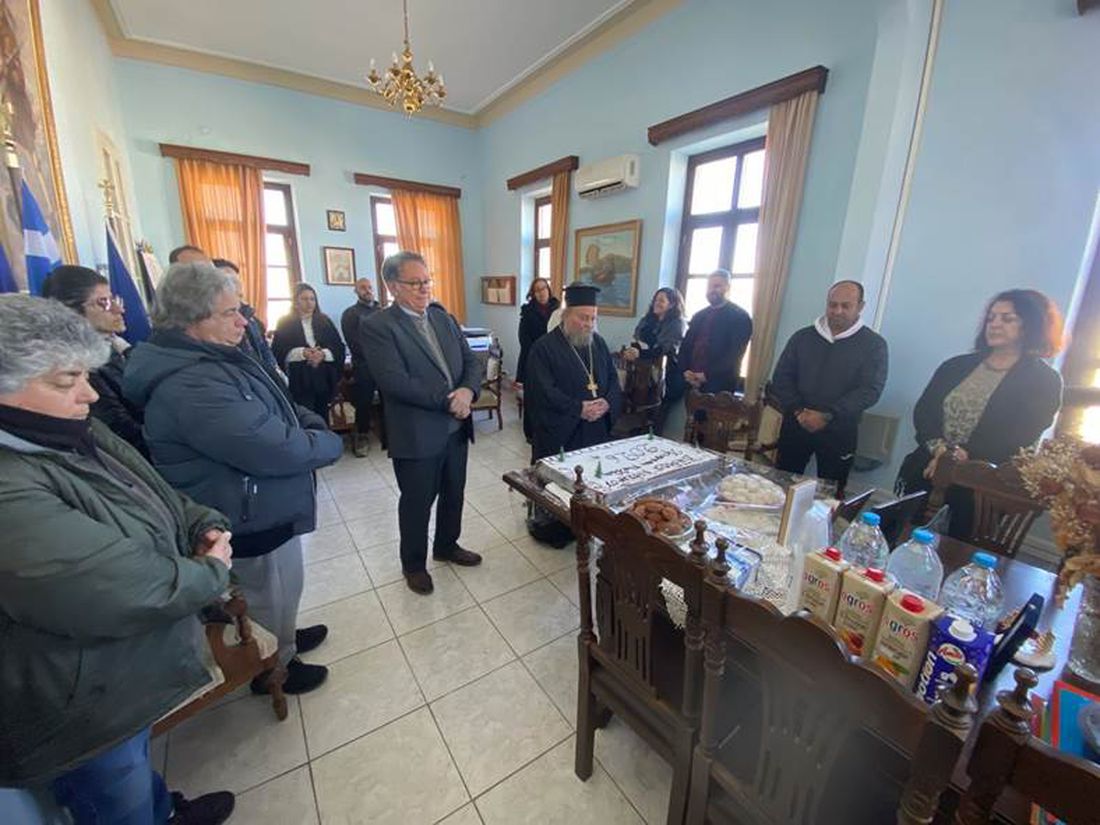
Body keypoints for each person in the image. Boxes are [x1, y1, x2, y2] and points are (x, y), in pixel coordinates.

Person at [0, 294, 235, 824]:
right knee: (116, 800)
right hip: (80, 701)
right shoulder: (9, 484)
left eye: (86, 375)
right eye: (66, 380)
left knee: (136, 777)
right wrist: (211, 569)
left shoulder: (68, 426)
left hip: (122, 678)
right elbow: (121, 588)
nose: (88, 393)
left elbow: (155, 492)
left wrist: (199, 522)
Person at [124, 262, 343, 694]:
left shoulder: (219, 356)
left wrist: (311, 427)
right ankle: (271, 668)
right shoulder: (191, 383)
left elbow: (281, 405)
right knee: (264, 592)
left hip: (264, 502)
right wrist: (328, 443)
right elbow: (270, 446)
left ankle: (284, 640)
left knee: (283, 586)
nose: (243, 321)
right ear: (190, 320)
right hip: (244, 510)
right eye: (229, 313)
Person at [361, 251, 484, 595]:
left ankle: (446, 545)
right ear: (393, 287)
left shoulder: (443, 318)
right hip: (416, 433)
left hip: (456, 428)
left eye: (427, 281)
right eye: (414, 283)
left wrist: (468, 391)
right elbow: (395, 381)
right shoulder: (378, 326)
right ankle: (413, 565)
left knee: (454, 492)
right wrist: (450, 401)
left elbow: (472, 362)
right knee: (417, 502)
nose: (424, 288)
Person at [896, 289, 1063, 499]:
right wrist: (941, 451)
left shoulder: (1044, 380)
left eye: (1007, 319)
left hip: (985, 484)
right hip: (929, 465)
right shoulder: (956, 366)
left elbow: (1021, 434)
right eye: (991, 318)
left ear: (1031, 326)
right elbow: (924, 412)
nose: (995, 324)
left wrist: (963, 456)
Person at [770, 280, 888, 494]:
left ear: (860, 307)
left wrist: (828, 415)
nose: (837, 311)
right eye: (833, 305)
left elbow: (870, 390)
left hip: (840, 429)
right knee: (781, 487)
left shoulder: (874, 344)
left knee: (832, 494)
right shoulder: (802, 337)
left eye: (845, 306)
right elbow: (781, 378)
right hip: (797, 423)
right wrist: (799, 410)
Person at [40, 265, 147, 456]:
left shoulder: (116, 346)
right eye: (103, 303)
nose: (119, 309)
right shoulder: (78, 365)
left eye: (114, 300)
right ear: (72, 312)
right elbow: (122, 430)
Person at [525, 283, 623, 461]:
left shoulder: (599, 343)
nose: (589, 325)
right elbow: (543, 393)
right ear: (565, 315)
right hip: (562, 437)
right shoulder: (543, 348)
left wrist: (607, 402)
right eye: (583, 318)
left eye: (593, 319)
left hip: (597, 430)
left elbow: (612, 379)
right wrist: (578, 408)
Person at [272, 283, 346, 419]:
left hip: (323, 376)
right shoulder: (285, 322)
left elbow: (338, 347)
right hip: (299, 379)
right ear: (296, 302)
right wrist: (302, 353)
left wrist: (322, 354)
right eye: (304, 299)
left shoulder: (324, 321)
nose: (309, 303)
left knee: (323, 416)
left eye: (312, 299)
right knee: (305, 417)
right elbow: (278, 351)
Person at [680, 269, 754, 394]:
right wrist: (685, 370)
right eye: (709, 286)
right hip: (690, 380)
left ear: (728, 288)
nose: (712, 290)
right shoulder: (699, 316)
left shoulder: (740, 317)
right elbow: (685, 346)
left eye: (717, 286)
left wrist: (706, 375)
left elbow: (734, 354)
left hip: (720, 384)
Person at [211, 258, 281, 377]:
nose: (232, 285)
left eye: (235, 279)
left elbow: (264, 349)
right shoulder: (212, 322)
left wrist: (275, 373)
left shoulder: (251, 319)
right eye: (226, 280)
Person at [624, 286, 688, 403]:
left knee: (657, 408)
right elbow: (637, 339)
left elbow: (666, 349)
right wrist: (632, 351)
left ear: (672, 304)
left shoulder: (677, 323)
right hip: (642, 371)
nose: (656, 303)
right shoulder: (647, 320)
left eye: (661, 300)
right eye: (656, 299)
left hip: (668, 374)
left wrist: (640, 353)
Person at [340, 278, 381, 455]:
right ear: (356, 291)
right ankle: (362, 435)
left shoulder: (383, 312)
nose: (367, 290)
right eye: (363, 288)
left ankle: (391, 434)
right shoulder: (350, 314)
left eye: (370, 287)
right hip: (364, 364)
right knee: (363, 401)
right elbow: (354, 343)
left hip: (386, 365)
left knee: (391, 399)